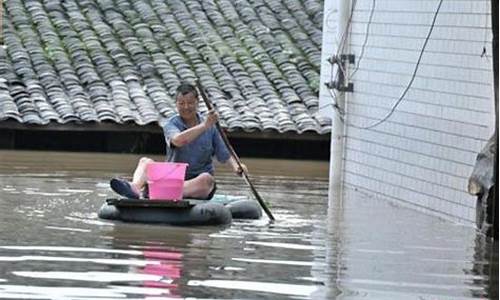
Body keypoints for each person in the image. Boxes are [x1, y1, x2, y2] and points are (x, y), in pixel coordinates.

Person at [110, 82, 246, 200]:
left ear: (197, 103)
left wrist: (237, 167)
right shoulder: (171, 124)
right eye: (181, 103)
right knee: (145, 162)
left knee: (207, 179)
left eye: (190, 103)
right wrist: (204, 125)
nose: (186, 107)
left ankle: (161, 192)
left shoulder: (211, 127)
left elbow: (225, 154)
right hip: (171, 178)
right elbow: (178, 140)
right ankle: (135, 188)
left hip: (196, 182)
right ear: (176, 104)